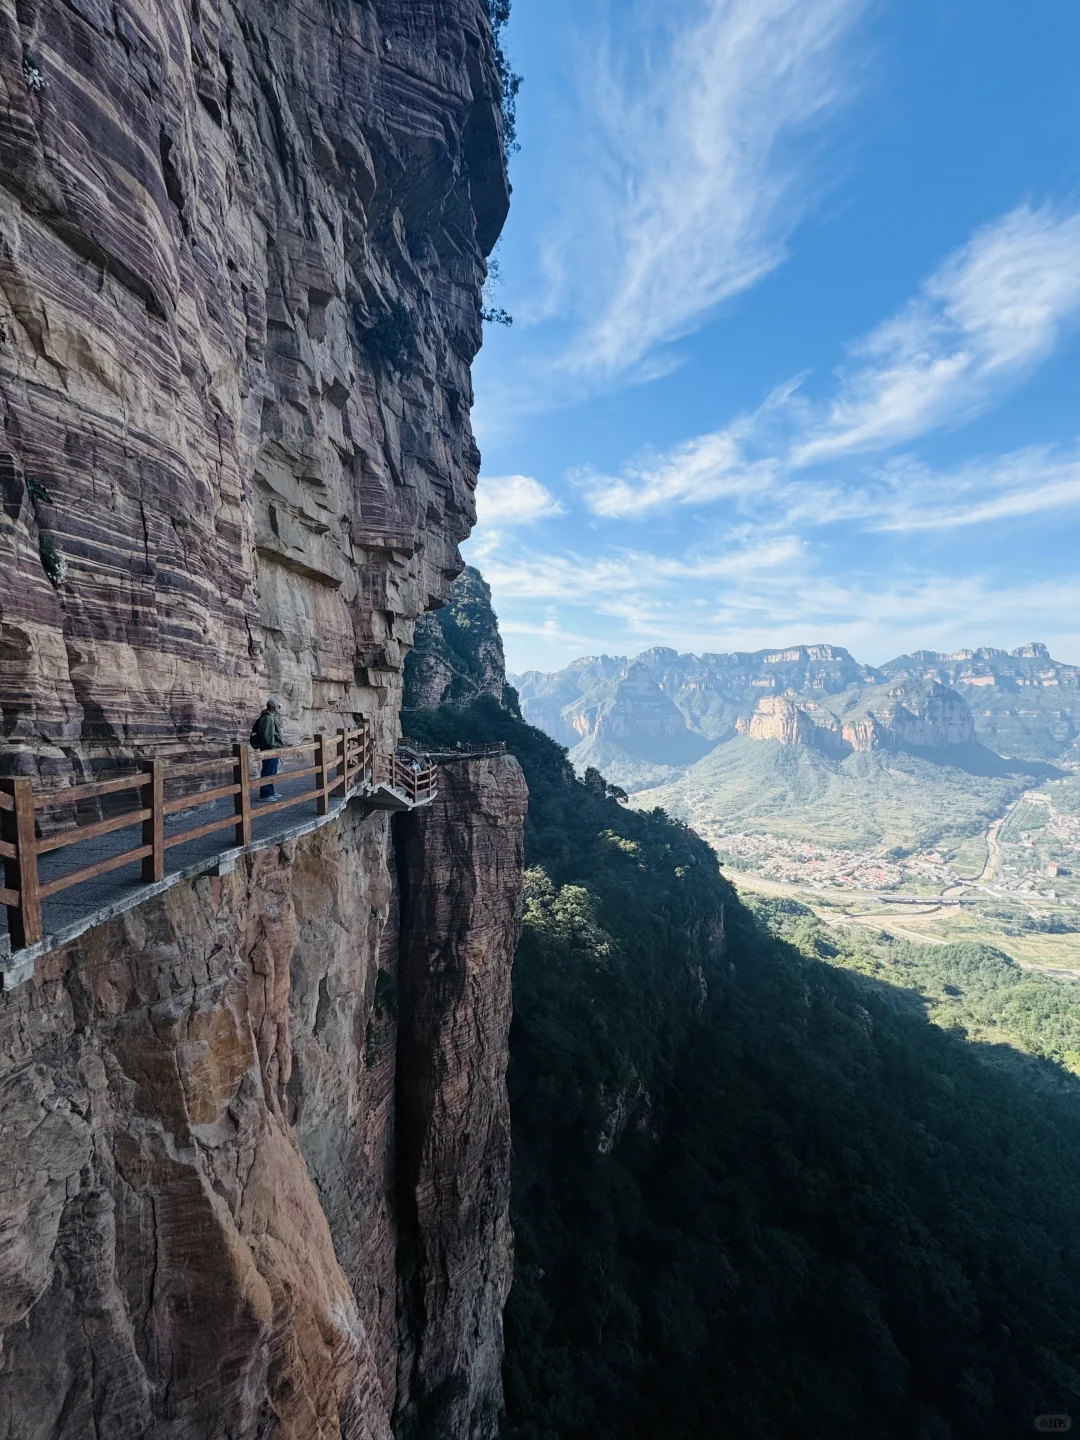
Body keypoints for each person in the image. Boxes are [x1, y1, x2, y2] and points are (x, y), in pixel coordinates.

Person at [250, 698, 283, 798]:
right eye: (278, 707)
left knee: (271, 771)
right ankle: (265, 793)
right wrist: (274, 747)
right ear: (274, 707)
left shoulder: (268, 717)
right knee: (268, 771)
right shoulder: (268, 718)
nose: (279, 709)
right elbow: (268, 737)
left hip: (270, 749)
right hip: (269, 749)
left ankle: (270, 791)